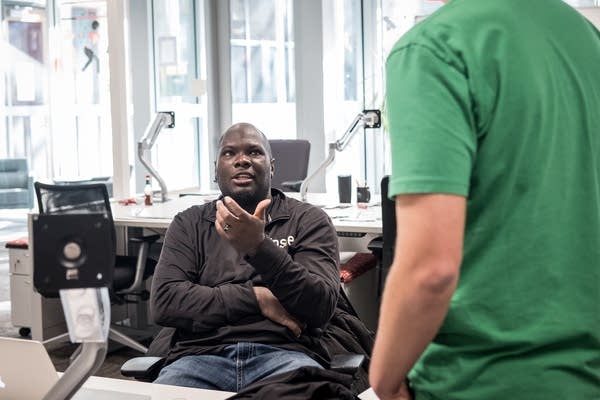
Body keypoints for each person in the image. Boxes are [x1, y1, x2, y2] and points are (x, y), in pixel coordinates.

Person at [370, 0, 600, 399]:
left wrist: (383, 382)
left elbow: (430, 270)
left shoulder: (433, 48)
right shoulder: (585, 39)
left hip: (478, 379)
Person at [149, 122, 372, 393]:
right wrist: (257, 298)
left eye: (254, 152)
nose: (242, 160)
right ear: (215, 169)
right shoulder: (189, 224)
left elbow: (321, 306)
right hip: (198, 358)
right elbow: (165, 302)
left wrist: (259, 248)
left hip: (286, 356)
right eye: (229, 153)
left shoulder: (307, 220)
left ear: (272, 166)